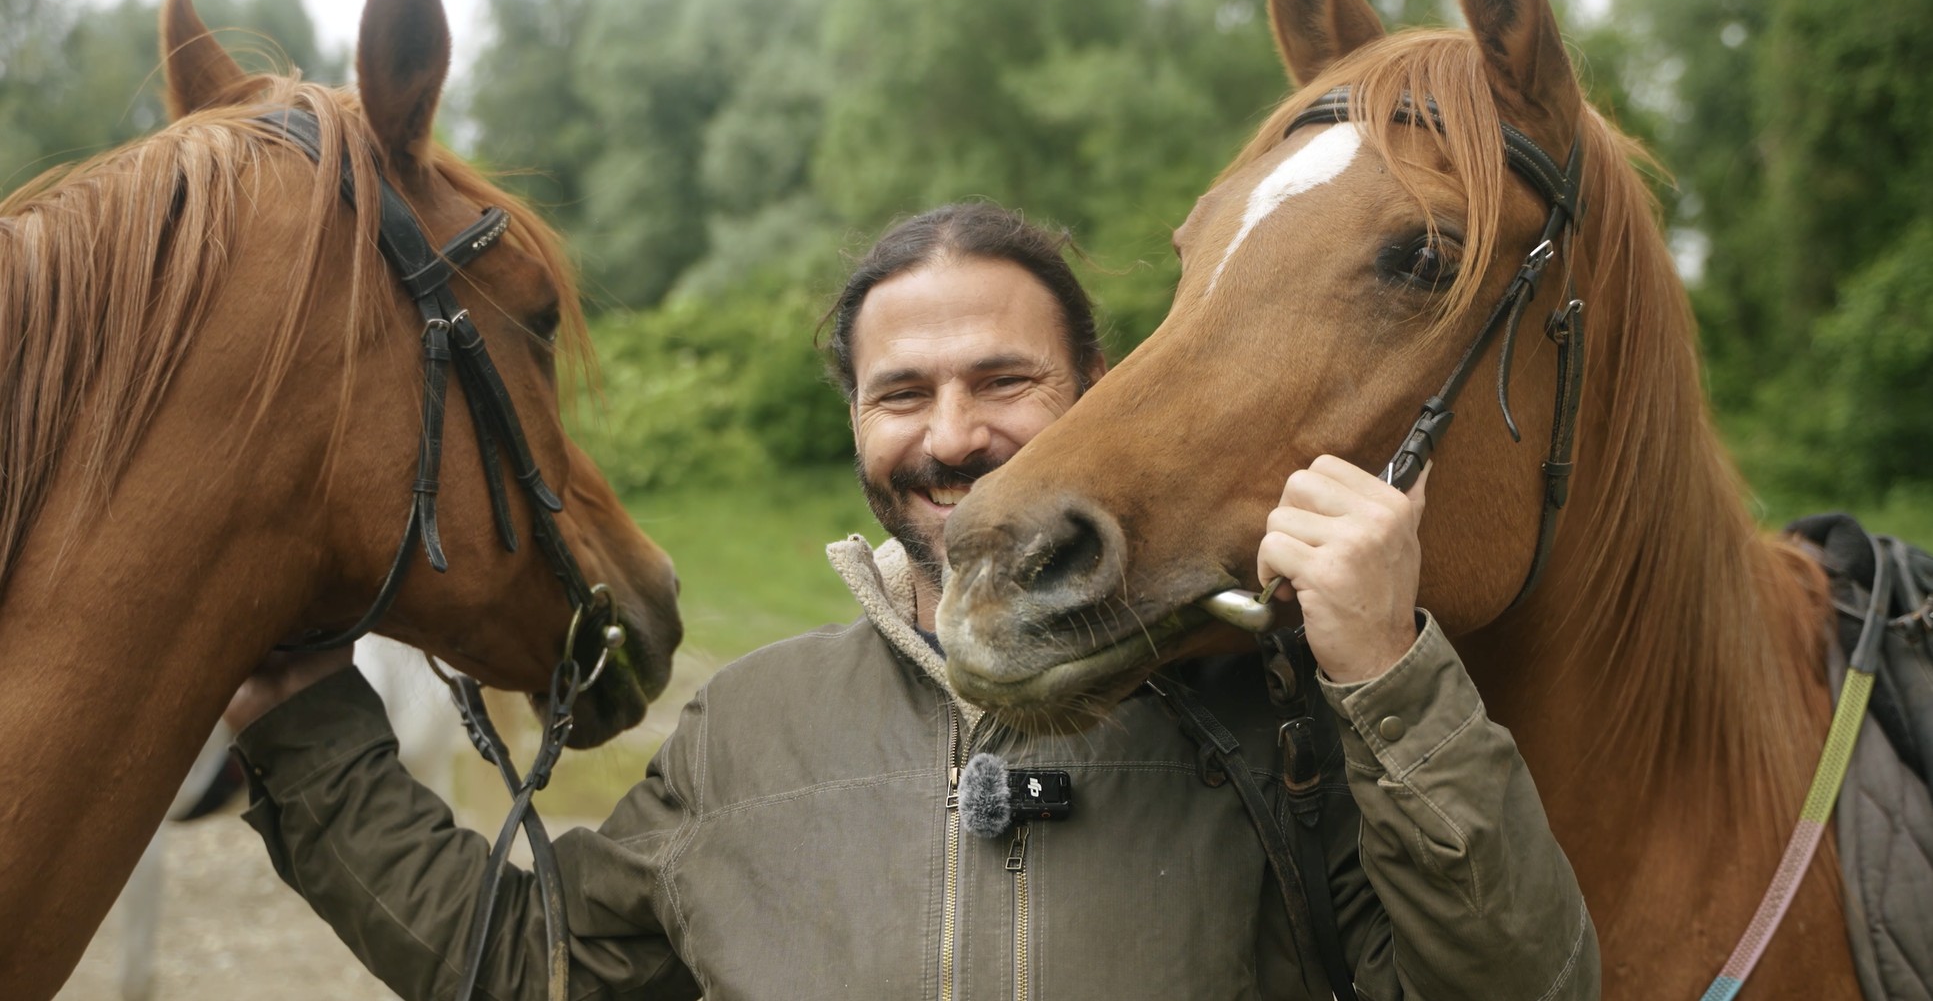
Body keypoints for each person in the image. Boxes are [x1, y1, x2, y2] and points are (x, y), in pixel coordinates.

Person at [225, 202, 1598, 999]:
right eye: (901, 394)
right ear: (857, 424)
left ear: (1095, 396)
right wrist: (300, 725)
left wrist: (1382, 670)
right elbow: (534, 970)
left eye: (1004, 382)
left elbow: (1515, 986)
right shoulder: (750, 726)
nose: (949, 438)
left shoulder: (1278, 714)